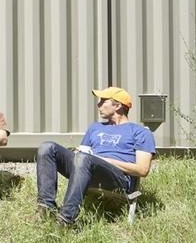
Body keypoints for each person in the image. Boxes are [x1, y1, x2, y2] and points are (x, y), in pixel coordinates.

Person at [36, 86, 155, 227]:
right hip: (87, 167)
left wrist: (106, 160)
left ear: (117, 106)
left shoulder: (140, 132)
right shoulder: (95, 127)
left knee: (84, 158)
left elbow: (142, 170)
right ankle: (46, 208)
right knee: (47, 147)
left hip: (117, 179)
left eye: (103, 101)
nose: (98, 105)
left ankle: (66, 219)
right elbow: (81, 156)